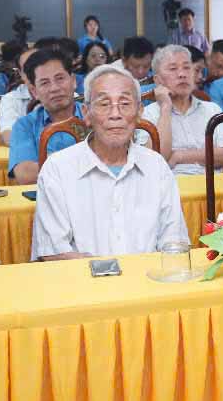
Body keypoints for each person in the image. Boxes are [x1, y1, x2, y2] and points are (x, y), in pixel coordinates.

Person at [30, 64, 186, 259]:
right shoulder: (58, 169)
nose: (115, 114)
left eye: (125, 103)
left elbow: (174, 241)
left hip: (150, 276)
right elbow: (54, 251)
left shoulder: (156, 166)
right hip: (82, 277)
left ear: (139, 112)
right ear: (86, 113)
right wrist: (111, 274)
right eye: (104, 104)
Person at [142, 45, 223, 175]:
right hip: (172, 185)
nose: (182, 74)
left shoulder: (212, 109)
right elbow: (155, 160)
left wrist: (180, 156)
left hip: (211, 184)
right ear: (158, 80)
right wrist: (165, 108)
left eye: (186, 67)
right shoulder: (148, 114)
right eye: (173, 69)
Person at [7, 49, 83, 184]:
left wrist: (48, 164)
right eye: (45, 83)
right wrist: (84, 163)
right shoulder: (25, 126)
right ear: (34, 92)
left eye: (60, 78)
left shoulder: (94, 116)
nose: (54, 88)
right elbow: (25, 174)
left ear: (73, 81)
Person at [0, 46, 37, 145]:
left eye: (39, 66)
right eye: (28, 69)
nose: (35, 73)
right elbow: (8, 136)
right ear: (20, 73)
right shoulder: (10, 99)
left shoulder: (68, 96)